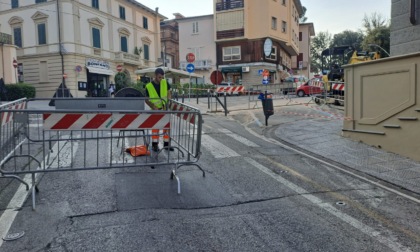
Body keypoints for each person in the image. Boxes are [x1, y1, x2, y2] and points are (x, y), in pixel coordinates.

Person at [145, 68, 173, 152]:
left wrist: (169, 100)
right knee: (155, 128)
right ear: (155, 76)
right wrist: (153, 106)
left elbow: (169, 93)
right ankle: (155, 145)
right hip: (155, 110)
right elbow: (146, 99)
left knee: (167, 127)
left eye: (162, 77)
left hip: (165, 109)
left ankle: (166, 144)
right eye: (159, 77)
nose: (161, 79)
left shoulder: (165, 82)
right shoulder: (148, 86)